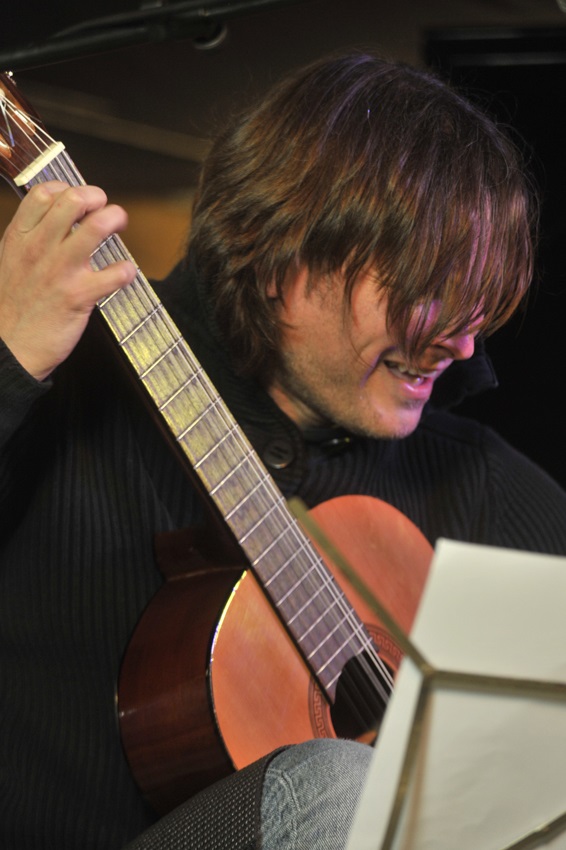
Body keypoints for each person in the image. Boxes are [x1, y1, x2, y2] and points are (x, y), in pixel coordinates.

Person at [1, 52, 565, 850]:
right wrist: (7, 366)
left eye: (477, 303)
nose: (462, 343)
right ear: (277, 258)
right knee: (342, 787)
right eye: (424, 292)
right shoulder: (59, 390)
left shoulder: (477, 480)